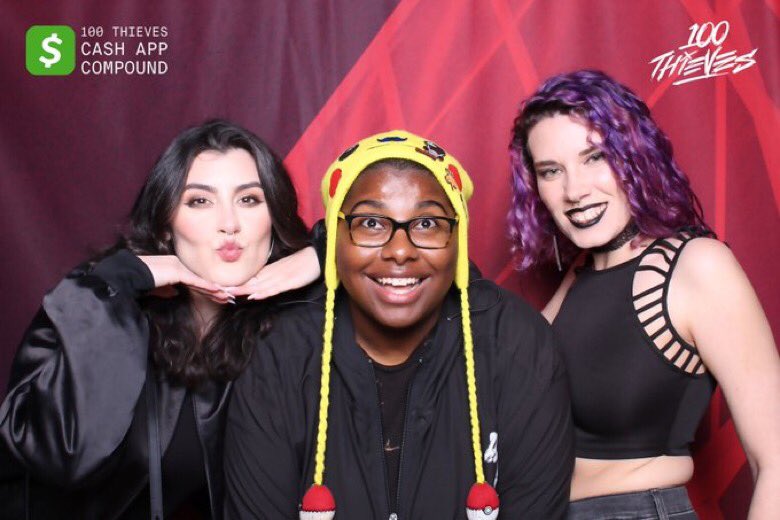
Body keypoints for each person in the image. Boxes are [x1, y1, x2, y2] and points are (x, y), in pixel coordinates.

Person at [224, 130, 574, 519]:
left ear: (457, 239)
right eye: (371, 223)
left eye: (427, 223)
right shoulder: (279, 356)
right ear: (333, 241)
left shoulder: (517, 344)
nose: (400, 251)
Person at [0, 119, 319, 519]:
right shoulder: (99, 305)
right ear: (167, 224)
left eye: (249, 199)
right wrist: (121, 279)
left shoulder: (297, 325)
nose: (229, 224)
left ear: (274, 217)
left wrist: (324, 255)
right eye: (199, 201)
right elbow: (62, 454)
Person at [508, 70, 780, 519]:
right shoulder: (581, 273)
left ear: (634, 155)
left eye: (595, 157)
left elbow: (775, 459)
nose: (574, 190)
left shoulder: (697, 265)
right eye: (551, 171)